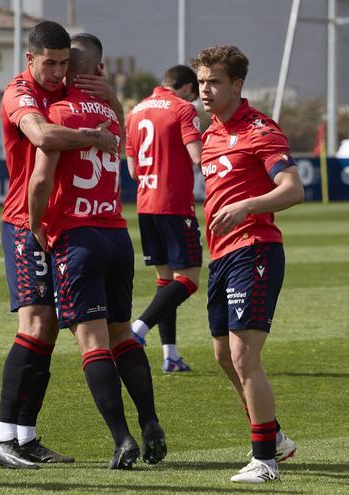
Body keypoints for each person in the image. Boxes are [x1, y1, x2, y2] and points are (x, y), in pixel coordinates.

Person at [0, 20, 122, 469]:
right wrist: (94, 135)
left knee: (47, 331)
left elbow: (122, 134)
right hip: (26, 222)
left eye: (64, 63)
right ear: (30, 59)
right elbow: (42, 136)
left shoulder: (63, 94)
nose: (57, 71)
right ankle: (3, 437)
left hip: (58, 224)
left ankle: (25, 437)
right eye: (49, 63)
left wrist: (111, 100)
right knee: (35, 324)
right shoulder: (18, 93)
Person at [28, 33, 167, 470]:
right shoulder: (110, 112)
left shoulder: (59, 112)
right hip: (116, 236)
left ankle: (122, 439)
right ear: (101, 71)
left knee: (92, 343)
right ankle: (150, 424)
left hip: (77, 236)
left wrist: (35, 226)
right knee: (122, 334)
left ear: (67, 69)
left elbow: (40, 179)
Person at [192, 45, 303, 483]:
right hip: (222, 255)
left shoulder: (260, 130)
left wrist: (246, 207)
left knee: (243, 356)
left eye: (214, 81)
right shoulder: (212, 134)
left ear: (237, 85)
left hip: (254, 249)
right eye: (202, 81)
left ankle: (265, 461)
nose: (205, 88)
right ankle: (273, 436)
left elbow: (292, 189)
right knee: (223, 355)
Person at [125, 65, 203, 372]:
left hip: (146, 204)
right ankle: (139, 328)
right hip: (174, 204)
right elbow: (198, 156)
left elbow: (132, 171)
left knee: (165, 279)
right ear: (186, 88)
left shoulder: (135, 112)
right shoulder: (183, 109)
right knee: (189, 279)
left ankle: (170, 356)